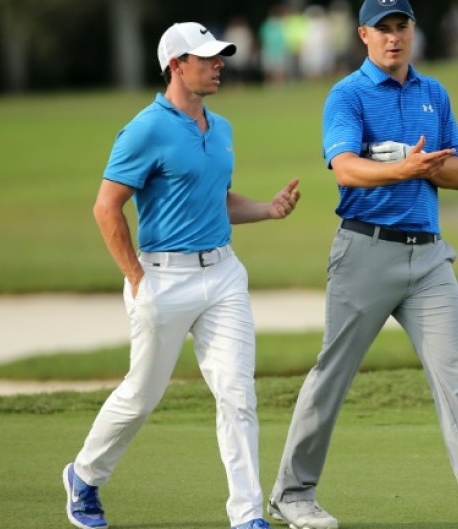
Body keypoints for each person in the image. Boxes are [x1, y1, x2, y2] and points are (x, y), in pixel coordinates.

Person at [267, 2, 458, 529]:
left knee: (456, 378)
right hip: (365, 252)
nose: (394, 39)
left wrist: (418, 166)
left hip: (430, 257)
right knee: (333, 375)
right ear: (364, 35)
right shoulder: (347, 95)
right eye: (384, 30)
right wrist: (406, 166)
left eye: (403, 28)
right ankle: (292, 494)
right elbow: (345, 170)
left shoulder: (432, 94)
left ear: (412, 32)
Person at [62, 21, 301, 529]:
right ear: (176, 65)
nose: (219, 65)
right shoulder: (145, 128)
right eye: (207, 58)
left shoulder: (223, 128)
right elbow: (107, 207)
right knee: (141, 396)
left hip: (224, 275)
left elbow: (217, 202)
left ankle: (247, 516)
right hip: (162, 280)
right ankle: (84, 476)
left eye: (220, 57)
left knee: (238, 394)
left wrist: (268, 209)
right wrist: (136, 277)